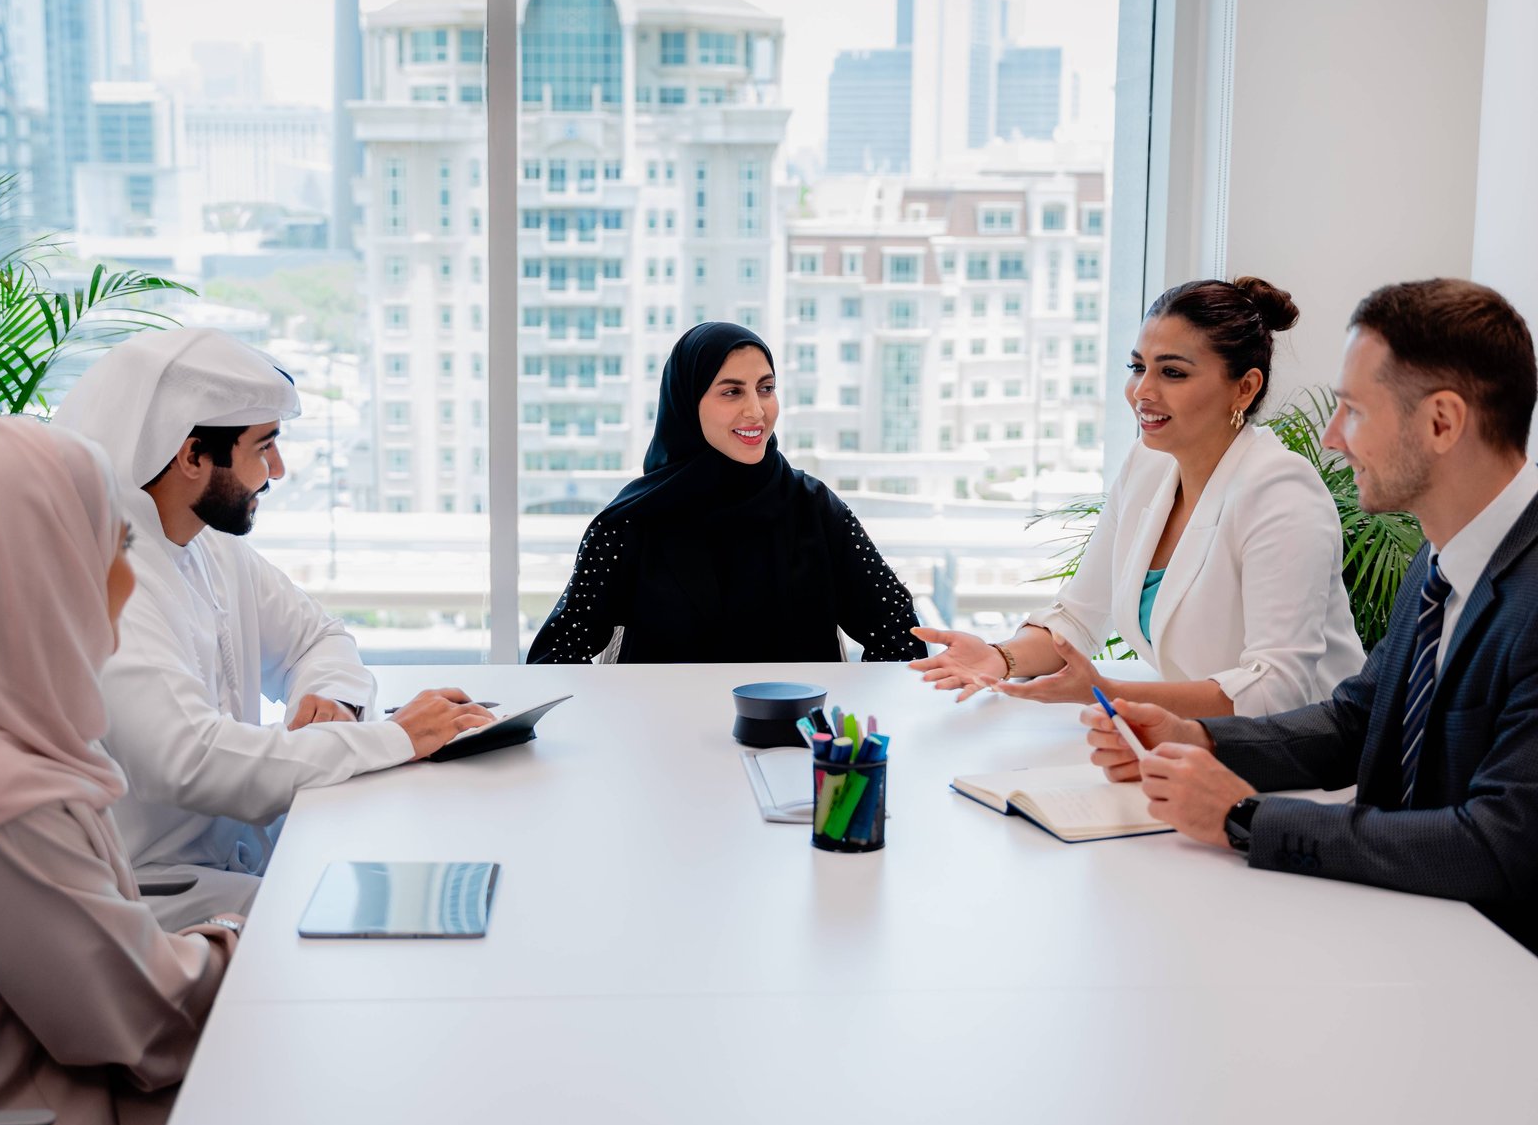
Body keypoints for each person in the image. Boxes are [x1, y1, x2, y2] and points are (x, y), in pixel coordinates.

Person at [1083, 280, 1538, 954]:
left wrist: (1242, 818)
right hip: (1405, 932)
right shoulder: (1443, 560)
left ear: (1442, 422)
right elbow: (1358, 719)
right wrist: (1201, 739)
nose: (1331, 438)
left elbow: (1497, 842)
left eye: (1353, 411)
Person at [0, 417, 240, 1125]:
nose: (124, 581)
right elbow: (135, 1026)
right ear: (36, 569)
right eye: (111, 550)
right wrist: (245, 950)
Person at [53, 327, 490, 917]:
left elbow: (320, 637)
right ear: (191, 455)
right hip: (158, 898)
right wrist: (394, 737)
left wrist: (326, 699)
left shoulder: (207, 544)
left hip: (242, 860)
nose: (278, 471)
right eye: (264, 447)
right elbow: (191, 760)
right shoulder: (110, 572)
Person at [911, 277, 1365, 716]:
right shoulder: (1147, 466)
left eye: (1172, 372)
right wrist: (1000, 657)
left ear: (1245, 388)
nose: (1142, 392)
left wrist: (1108, 693)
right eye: (1137, 367)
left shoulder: (1281, 493)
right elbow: (1078, 616)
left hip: (1302, 766)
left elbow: (1275, 691)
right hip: (1196, 747)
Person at [529, 321, 925, 664]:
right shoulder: (631, 521)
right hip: (660, 742)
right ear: (687, 402)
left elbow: (899, 633)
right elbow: (557, 655)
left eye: (765, 388)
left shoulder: (814, 507)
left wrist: (843, 726)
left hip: (791, 742)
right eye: (732, 392)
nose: (756, 411)